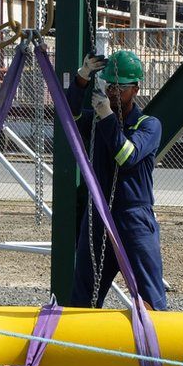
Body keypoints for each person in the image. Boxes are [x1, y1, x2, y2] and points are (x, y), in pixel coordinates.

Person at [66, 50, 168, 311]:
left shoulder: (148, 125)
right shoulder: (98, 120)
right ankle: (82, 347)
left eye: (120, 88)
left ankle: (155, 347)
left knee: (150, 298)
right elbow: (69, 115)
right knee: (83, 299)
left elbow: (127, 155)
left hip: (133, 218)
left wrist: (107, 117)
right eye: (110, 87)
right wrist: (82, 78)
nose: (113, 94)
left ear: (135, 89)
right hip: (99, 215)